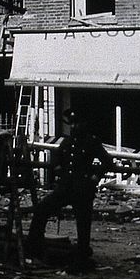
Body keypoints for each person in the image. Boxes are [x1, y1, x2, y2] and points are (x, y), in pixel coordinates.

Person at [28, 108, 110, 268]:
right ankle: (34, 249)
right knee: (42, 209)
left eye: (77, 123)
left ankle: (81, 258)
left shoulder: (91, 142)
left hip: (82, 189)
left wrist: (94, 179)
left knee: (83, 224)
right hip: (65, 188)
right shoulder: (67, 142)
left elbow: (107, 162)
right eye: (72, 124)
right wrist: (57, 169)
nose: (74, 127)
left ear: (83, 124)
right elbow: (56, 159)